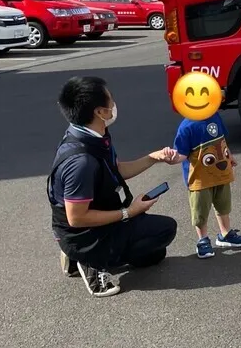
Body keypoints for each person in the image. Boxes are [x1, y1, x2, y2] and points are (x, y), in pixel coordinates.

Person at [48, 76, 179, 298]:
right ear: (100, 112)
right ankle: (90, 260)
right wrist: (130, 212)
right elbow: (76, 218)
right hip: (83, 233)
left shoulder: (90, 134)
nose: (114, 103)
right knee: (165, 231)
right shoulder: (81, 162)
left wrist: (153, 158)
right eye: (111, 99)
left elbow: (117, 169)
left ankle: (85, 255)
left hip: (100, 217)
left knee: (155, 255)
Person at [173, 108, 241, 259]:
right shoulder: (186, 126)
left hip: (221, 173)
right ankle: (202, 239)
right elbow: (181, 153)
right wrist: (172, 157)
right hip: (200, 179)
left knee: (223, 205)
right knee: (200, 210)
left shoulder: (214, 116)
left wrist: (230, 155)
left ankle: (225, 233)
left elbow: (222, 140)